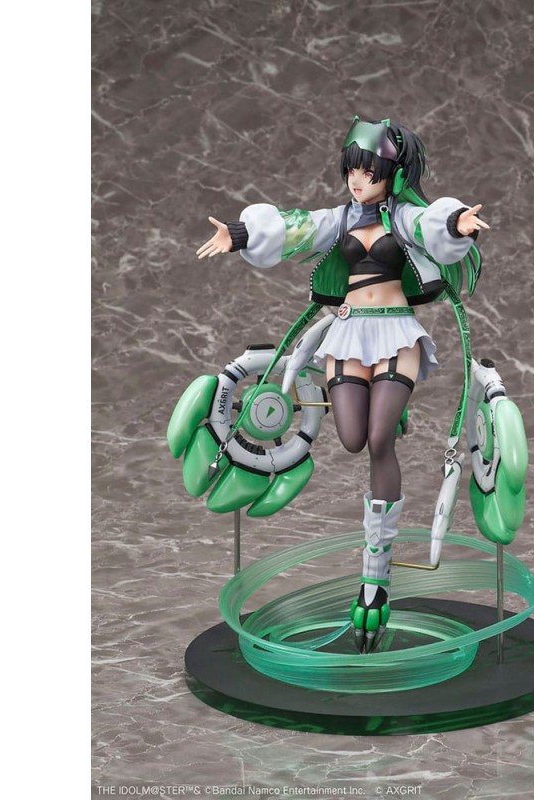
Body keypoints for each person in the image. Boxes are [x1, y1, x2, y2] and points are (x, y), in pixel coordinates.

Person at [196, 117, 488, 652]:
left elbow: (432, 224)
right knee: (352, 438)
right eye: (352, 170)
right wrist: (238, 235)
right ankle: (389, 408)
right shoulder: (340, 219)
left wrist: (457, 223)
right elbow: (295, 228)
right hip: (348, 335)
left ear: (392, 175)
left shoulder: (403, 218)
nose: (357, 180)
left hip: (395, 333)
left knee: (378, 441)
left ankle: (376, 579)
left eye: (369, 172)